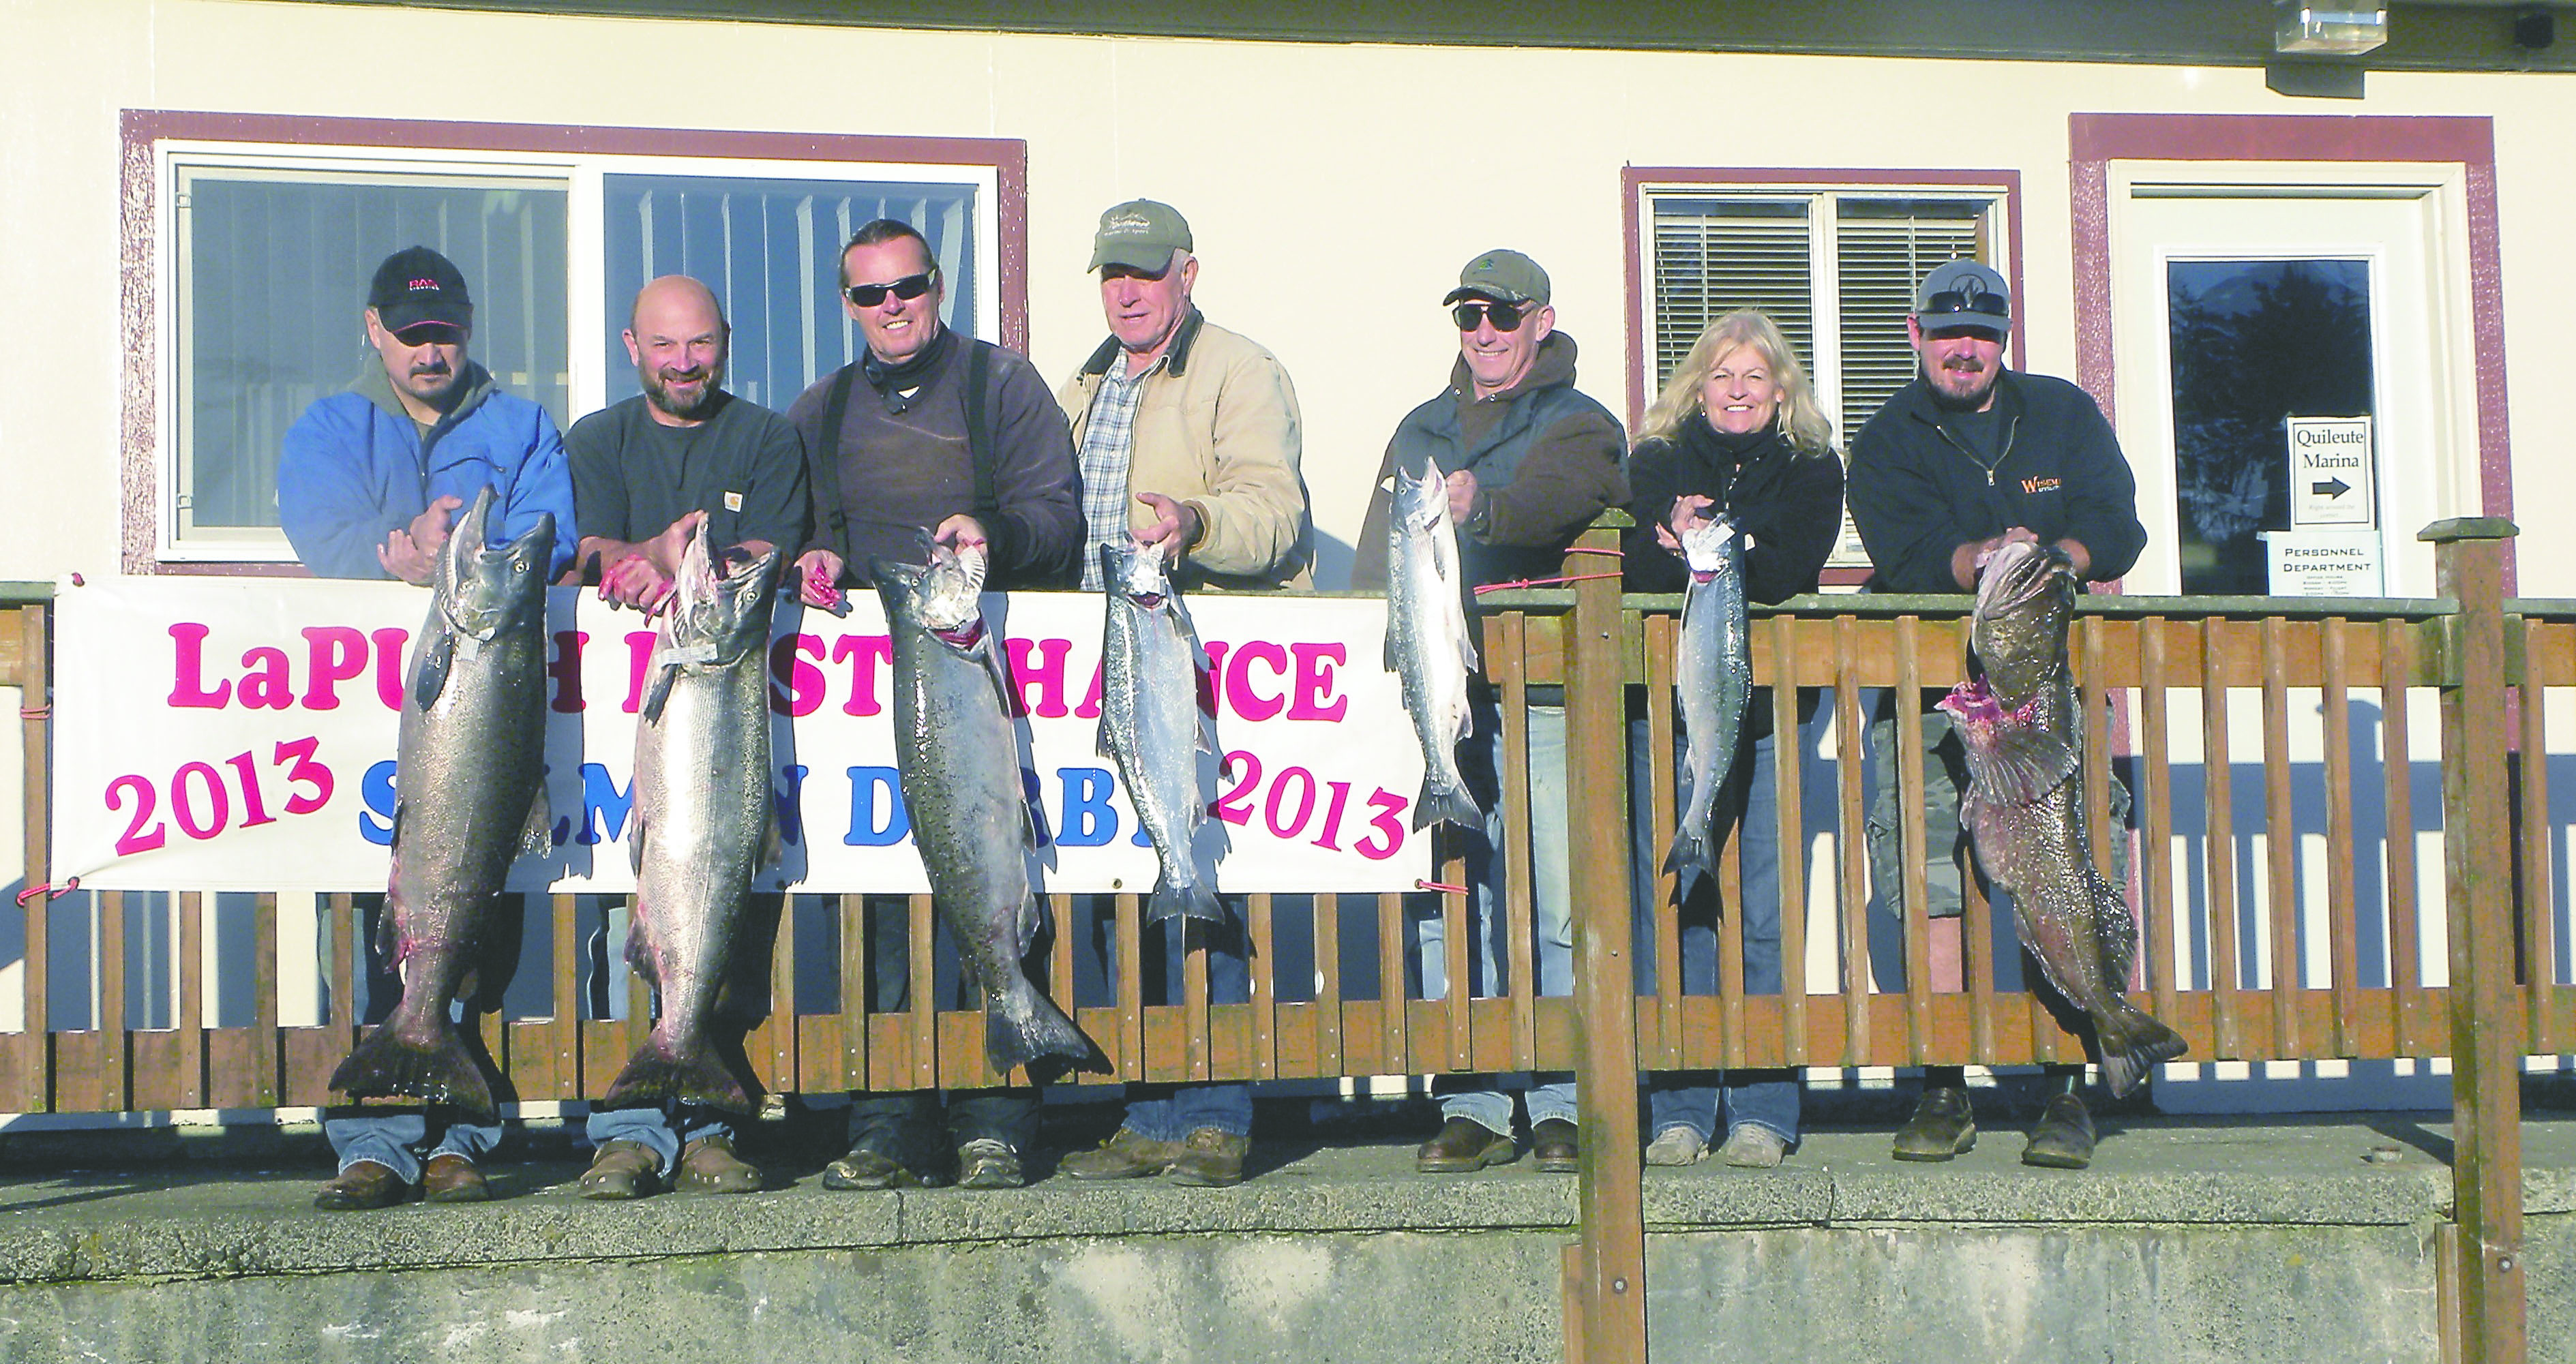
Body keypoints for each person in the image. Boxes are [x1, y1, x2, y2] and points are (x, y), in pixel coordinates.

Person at [787, 217, 1084, 1192]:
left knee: (989, 883)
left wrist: (988, 532)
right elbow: (806, 535)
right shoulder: (820, 410)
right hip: (863, 707)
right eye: (869, 295)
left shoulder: (1002, 386)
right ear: (847, 305)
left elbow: (1058, 520)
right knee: (876, 919)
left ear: (938, 285)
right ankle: (884, 1123)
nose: (892, 308)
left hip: (982, 687)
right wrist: (817, 561)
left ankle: (997, 1117)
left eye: (906, 287)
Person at [278, 244, 575, 1210]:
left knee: (479, 924)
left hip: (484, 719)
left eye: (444, 331)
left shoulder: (524, 425)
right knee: (373, 937)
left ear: (468, 325)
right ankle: (373, 1137)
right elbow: (319, 531)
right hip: (364, 733)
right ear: (374, 332)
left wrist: (463, 552)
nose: (430, 351)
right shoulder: (330, 427)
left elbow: (551, 536)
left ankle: (463, 1137)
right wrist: (390, 552)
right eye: (410, 336)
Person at [1844, 259, 2148, 1170]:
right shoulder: (1887, 436)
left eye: (1980, 332)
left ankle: (2068, 1087)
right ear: (1916, 336)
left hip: (2046, 699)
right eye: (1946, 333)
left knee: (2058, 873)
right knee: (1934, 882)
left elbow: (2117, 523)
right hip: (1933, 701)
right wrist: (1981, 559)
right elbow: (1902, 550)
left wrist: (2053, 554)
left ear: (2003, 337)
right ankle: (1942, 1086)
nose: (1963, 348)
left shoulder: (2060, 411)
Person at [1049, 200, 1311, 1190]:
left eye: (1145, 272)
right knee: (1128, 885)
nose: (1125, 290)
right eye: (1111, 272)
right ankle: (1149, 1108)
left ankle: (1212, 1110)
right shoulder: (1078, 386)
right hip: (1104, 660)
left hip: (1199, 665)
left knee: (1206, 885)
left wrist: (1195, 521)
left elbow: (1275, 513)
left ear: (1186, 274)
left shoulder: (1240, 370)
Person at [1351, 249, 1628, 1175]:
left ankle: (1554, 1096)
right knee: (1448, 906)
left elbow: (1565, 495)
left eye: (1501, 316)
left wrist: (1482, 507)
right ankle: (1467, 1094)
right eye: (1467, 315)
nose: (1482, 333)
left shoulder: (1578, 422)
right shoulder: (1418, 429)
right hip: (1439, 705)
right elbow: (1370, 560)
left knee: (1552, 900)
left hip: (1539, 701)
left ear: (1540, 322)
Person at [563, 274, 818, 1199]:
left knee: (726, 925)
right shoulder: (597, 439)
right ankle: (626, 1132)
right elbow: (584, 550)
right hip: (612, 732)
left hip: (727, 725)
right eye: (665, 346)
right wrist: (635, 558)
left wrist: (695, 561)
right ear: (632, 346)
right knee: (617, 933)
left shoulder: (767, 438)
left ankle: (712, 1125)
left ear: (726, 342)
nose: (684, 363)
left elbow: (772, 549)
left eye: (700, 344)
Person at [1622, 309, 1843, 1169]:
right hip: (1666, 718)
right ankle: (1677, 1105)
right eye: (1722, 376)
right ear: (1698, 386)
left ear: (1780, 388)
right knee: (1676, 906)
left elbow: (1791, 565)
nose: (1738, 391)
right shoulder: (1658, 460)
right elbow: (1635, 562)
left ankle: (1762, 1105)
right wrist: (1668, 535)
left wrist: (1715, 543)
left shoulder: (1812, 465)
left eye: (1754, 376)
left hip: (1767, 719)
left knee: (1761, 909)